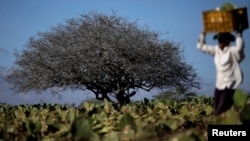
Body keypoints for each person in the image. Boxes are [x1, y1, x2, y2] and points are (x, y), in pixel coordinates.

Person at [197, 30, 245, 116]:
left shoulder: (232, 51)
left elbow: (239, 48)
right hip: (219, 84)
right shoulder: (216, 50)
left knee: (222, 108)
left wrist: (239, 34)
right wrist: (203, 34)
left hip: (229, 84)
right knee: (216, 108)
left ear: (227, 41)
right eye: (219, 40)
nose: (220, 42)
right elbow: (201, 47)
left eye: (222, 40)